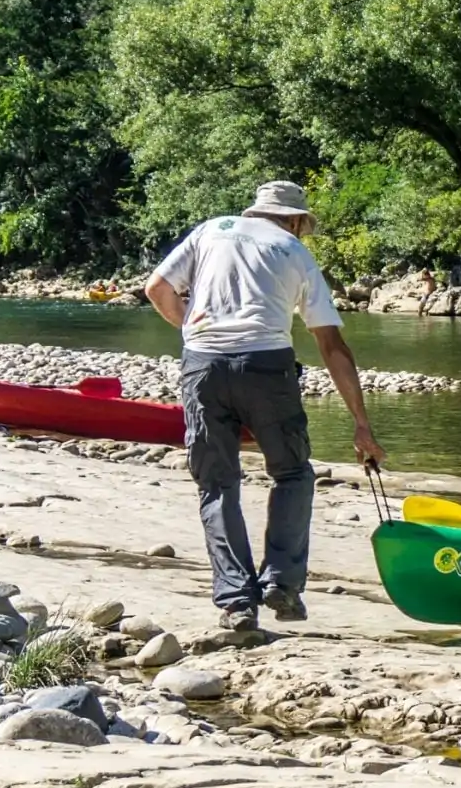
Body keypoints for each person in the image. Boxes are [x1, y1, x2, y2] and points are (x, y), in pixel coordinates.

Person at [144, 181, 387, 631]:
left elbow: (157, 288)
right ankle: (281, 582)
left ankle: (237, 602)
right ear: (294, 220)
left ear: (257, 211)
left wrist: (193, 334)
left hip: (204, 366)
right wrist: (361, 425)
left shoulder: (211, 230)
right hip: (267, 366)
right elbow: (330, 343)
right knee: (293, 473)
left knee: (217, 485)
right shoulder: (294, 251)